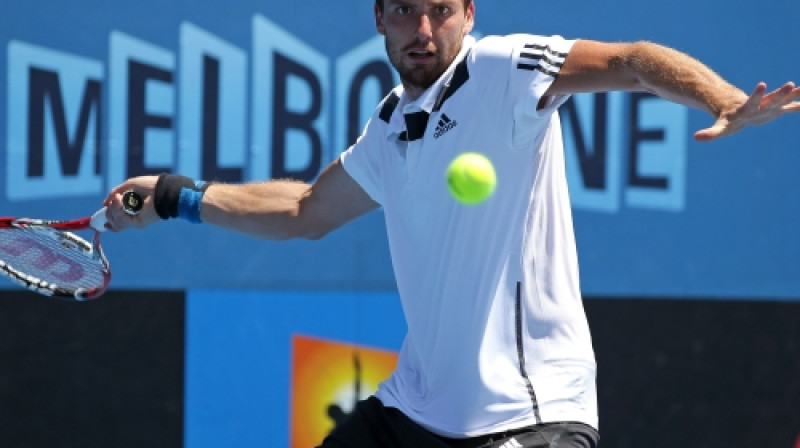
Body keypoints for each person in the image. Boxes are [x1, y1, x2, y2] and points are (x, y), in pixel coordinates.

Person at [103, 0, 800, 446]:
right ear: (379, 18)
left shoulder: (508, 70)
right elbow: (303, 211)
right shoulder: (388, 126)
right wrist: (174, 196)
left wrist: (723, 98)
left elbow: (630, 61)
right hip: (415, 414)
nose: (424, 31)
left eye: (440, 10)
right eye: (406, 11)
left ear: (469, 12)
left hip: (531, 415)